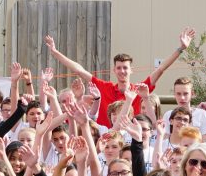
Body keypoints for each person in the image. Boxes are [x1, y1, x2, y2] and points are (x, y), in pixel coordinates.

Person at [44, 28, 193, 127]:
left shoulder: (140, 89)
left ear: (131, 70)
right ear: (114, 70)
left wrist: (180, 49)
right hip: (106, 141)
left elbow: (161, 69)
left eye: (125, 68)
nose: (122, 71)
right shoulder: (104, 87)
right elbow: (80, 70)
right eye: (119, 68)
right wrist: (55, 52)